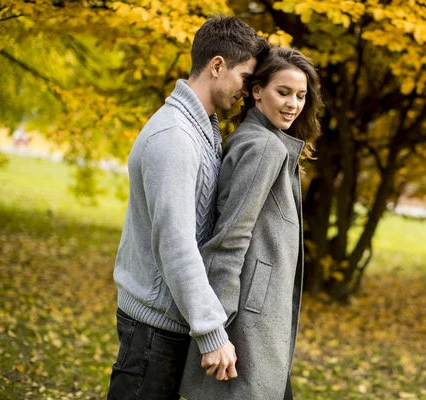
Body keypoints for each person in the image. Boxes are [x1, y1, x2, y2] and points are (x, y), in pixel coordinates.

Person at [107, 15, 269, 399]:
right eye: (245, 78)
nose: (247, 91)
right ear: (217, 66)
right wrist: (212, 331)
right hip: (153, 330)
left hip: (168, 324)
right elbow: (176, 243)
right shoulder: (175, 137)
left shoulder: (202, 130)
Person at [179, 46, 323, 400]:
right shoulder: (263, 149)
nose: (293, 104)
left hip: (257, 324)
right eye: (283, 92)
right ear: (257, 91)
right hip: (247, 329)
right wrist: (216, 329)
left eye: (301, 96)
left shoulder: (261, 141)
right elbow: (229, 240)